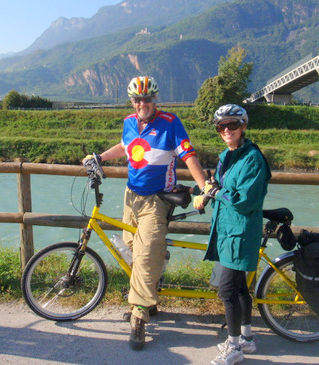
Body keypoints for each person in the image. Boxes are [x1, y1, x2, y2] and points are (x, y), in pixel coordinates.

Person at [83, 76, 207, 351]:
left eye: (147, 99)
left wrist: (204, 186)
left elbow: (188, 154)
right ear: (132, 102)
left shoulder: (170, 122)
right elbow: (126, 147)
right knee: (132, 247)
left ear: (155, 100)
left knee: (144, 255)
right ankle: (156, 270)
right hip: (131, 197)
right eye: (137, 100)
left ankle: (139, 316)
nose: (142, 104)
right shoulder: (129, 122)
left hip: (157, 200)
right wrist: (99, 157)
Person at [193, 104, 271, 365]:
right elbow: (219, 184)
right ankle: (247, 339)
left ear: (243, 126)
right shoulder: (227, 156)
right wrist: (207, 193)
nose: (227, 130)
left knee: (226, 291)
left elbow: (245, 200)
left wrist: (215, 193)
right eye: (221, 126)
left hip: (241, 232)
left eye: (233, 125)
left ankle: (234, 347)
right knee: (238, 288)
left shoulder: (253, 159)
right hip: (227, 229)